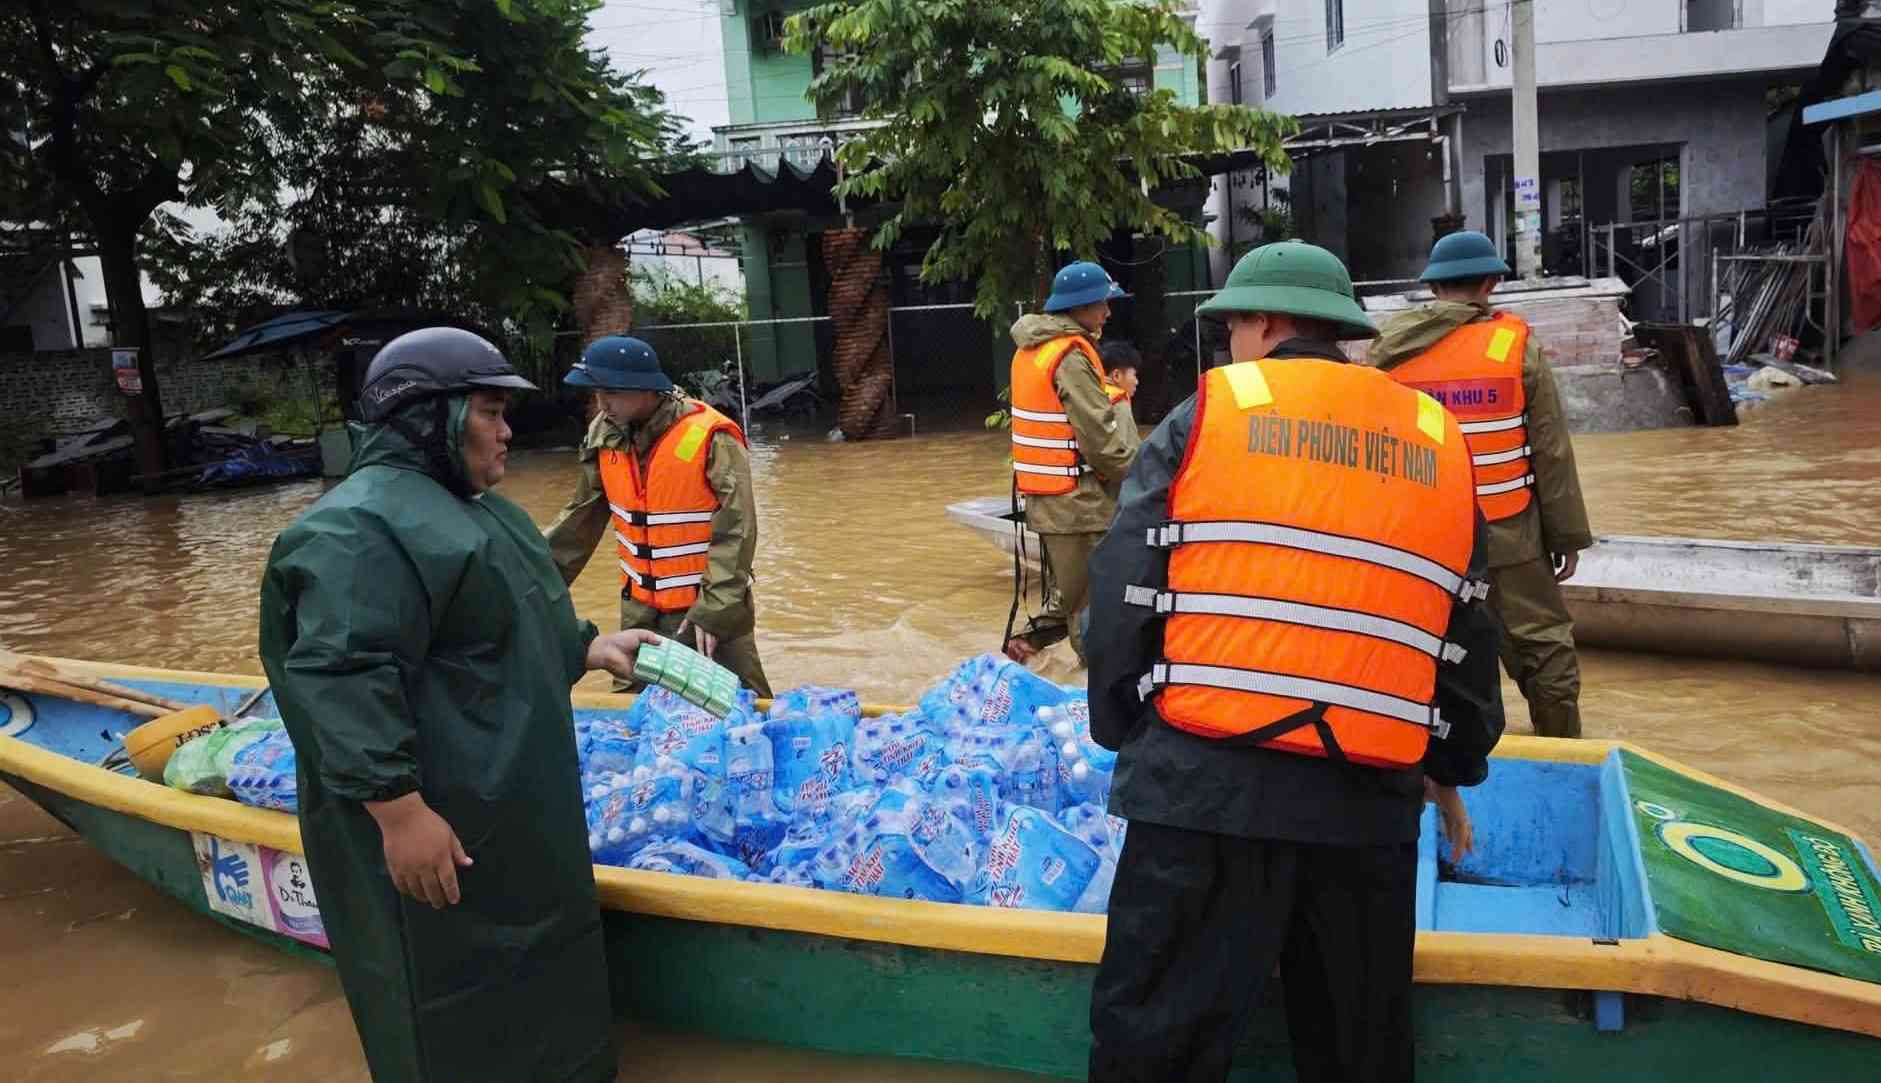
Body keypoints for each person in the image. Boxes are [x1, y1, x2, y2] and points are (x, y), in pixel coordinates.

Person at [1083, 242, 1505, 1082]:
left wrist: (1128, 729)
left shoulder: (1208, 413)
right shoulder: (1434, 441)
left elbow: (1124, 591)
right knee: (1358, 1057)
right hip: (1363, 812)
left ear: (1264, 321)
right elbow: (1465, 633)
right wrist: (1448, 760)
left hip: (1201, 795)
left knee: (1153, 1051)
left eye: (1232, 325)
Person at [258, 327, 659, 1082]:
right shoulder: (358, 527)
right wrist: (399, 812)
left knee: (548, 982)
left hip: (517, 815)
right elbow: (341, 672)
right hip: (438, 826)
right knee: (450, 1010)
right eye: (488, 410)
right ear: (424, 417)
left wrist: (589, 647)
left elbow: (506, 621)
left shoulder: (484, 512)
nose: (507, 431)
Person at [1368, 230, 1594, 738]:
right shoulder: (1516, 348)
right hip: (1509, 532)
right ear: (1492, 282)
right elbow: (1551, 453)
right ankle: (1561, 754)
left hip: (1421, 540)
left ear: (1433, 288)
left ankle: (1449, 766)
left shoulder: (1390, 354)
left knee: (1431, 651)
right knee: (1542, 647)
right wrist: (1566, 538)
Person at [544, 335, 771, 696]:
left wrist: (715, 611)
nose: (602, 403)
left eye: (612, 392)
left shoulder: (712, 436)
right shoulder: (604, 434)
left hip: (707, 613)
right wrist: (530, 584)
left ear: (647, 389)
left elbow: (737, 530)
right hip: (640, 613)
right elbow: (577, 523)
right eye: (596, 393)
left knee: (738, 705)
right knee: (636, 714)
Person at [1004, 260, 1142, 666]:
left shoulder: (1032, 348)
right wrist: (1147, 477)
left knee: (1078, 590)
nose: (1108, 312)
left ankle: (1026, 648)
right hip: (1078, 503)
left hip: (1050, 499)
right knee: (1093, 607)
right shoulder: (1070, 354)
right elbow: (1100, 440)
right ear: (1079, 307)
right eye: (1102, 303)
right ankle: (1094, 703)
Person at [1099, 340, 1141, 404]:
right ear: (1117, 375)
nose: (1136, 382)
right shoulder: (1119, 400)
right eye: (1134, 375)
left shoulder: (1088, 393)